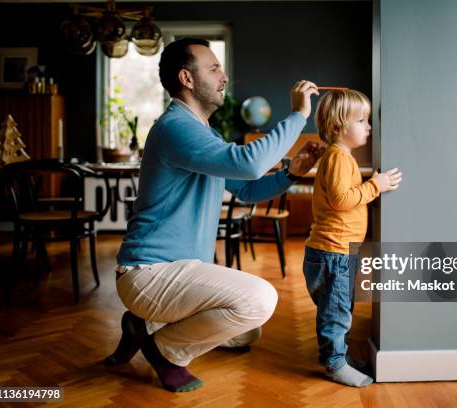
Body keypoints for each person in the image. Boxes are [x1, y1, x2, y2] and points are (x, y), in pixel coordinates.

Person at [104, 37, 324, 393]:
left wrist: (291, 173)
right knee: (259, 299)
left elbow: (247, 189)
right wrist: (299, 115)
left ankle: (140, 326)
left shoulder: (205, 133)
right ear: (187, 79)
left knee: (246, 331)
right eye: (214, 68)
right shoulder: (175, 127)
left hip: (181, 273)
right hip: (149, 272)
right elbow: (250, 164)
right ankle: (165, 351)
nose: (224, 77)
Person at [303, 89, 402, 387]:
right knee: (336, 311)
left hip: (339, 250)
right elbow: (342, 200)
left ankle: (340, 356)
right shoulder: (338, 158)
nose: (368, 126)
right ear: (337, 126)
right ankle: (334, 364)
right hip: (333, 252)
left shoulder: (342, 158)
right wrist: (376, 186)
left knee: (341, 307)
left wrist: (371, 180)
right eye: (361, 120)